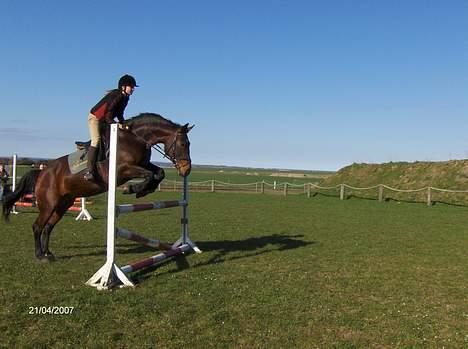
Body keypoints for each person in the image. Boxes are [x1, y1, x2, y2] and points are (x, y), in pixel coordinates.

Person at [84, 74, 138, 181]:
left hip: (104, 119)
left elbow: (119, 113)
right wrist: (115, 124)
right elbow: (108, 113)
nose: (133, 89)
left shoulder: (125, 98)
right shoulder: (117, 95)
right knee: (96, 140)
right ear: (123, 87)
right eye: (131, 86)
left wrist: (123, 123)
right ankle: (89, 171)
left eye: (133, 87)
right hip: (95, 118)